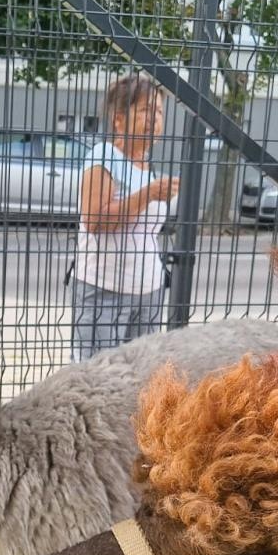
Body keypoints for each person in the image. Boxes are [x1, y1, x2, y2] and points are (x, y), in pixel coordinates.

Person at [69, 73, 180, 361]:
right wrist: (148, 195)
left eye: (159, 112)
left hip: (149, 292)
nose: (154, 119)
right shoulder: (104, 156)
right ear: (118, 120)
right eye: (145, 110)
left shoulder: (148, 166)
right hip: (104, 290)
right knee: (98, 377)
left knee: (143, 377)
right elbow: (94, 220)